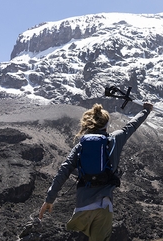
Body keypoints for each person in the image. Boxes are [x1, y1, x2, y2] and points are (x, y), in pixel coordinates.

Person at [39, 102, 153, 241]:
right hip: (103, 206)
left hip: (82, 209)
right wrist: (146, 110)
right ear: (106, 125)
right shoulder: (114, 139)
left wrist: (50, 199)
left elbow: (64, 170)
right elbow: (132, 125)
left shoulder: (80, 146)